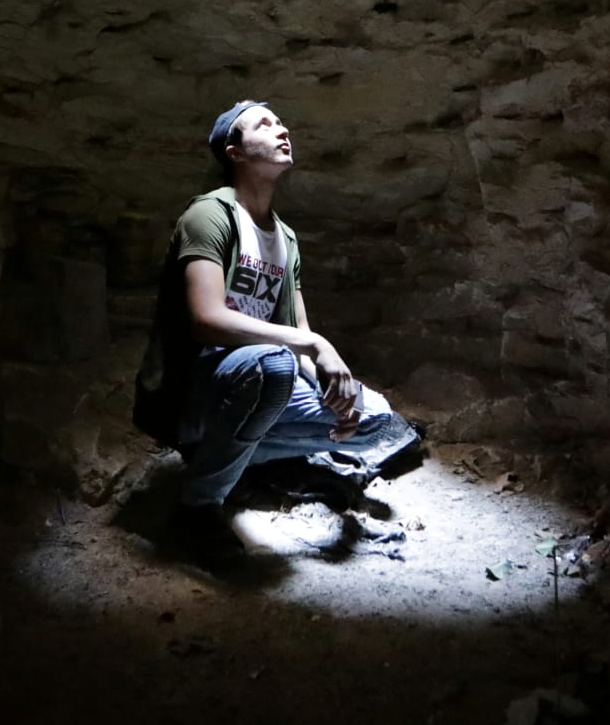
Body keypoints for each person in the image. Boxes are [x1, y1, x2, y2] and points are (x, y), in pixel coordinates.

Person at [135, 100, 418, 562]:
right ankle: (198, 506)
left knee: (379, 422)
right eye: (264, 124)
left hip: (267, 380)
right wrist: (313, 345)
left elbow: (297, 330)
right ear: (235, 151)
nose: (282, 129)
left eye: (282, 121)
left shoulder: (284, 238)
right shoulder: (211, 214)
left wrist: (334, 392)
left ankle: (232, 458)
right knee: (272, 360)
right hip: (198, 388)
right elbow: (205, 318)